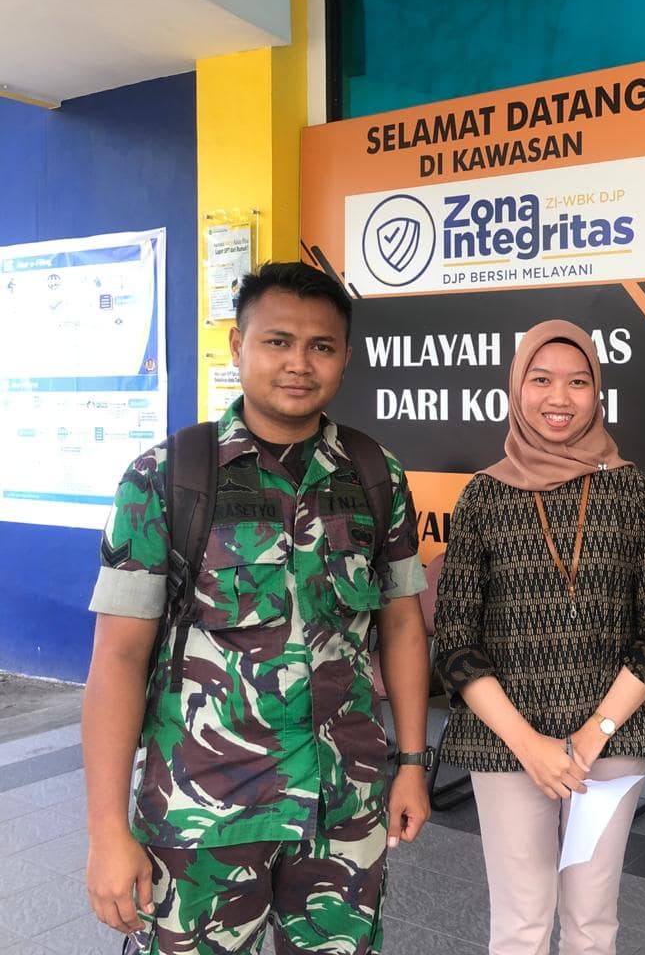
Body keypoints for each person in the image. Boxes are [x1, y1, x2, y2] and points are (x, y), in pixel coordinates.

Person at [82, 262, 431, 955]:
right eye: (277, 342)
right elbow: (117, 659)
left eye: (320, 346)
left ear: (345, 357)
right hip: (202, 818)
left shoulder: (376, 475)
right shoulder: (167, 477)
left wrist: (414, 764)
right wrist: (106, 832)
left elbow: (401, 626)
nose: (299, 363)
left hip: (344, 808)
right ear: (238, 345)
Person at [434, 319, 645, 955]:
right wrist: (531, 746)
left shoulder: (633, 491)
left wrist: (590, 736)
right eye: (541, 380)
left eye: (577, 382)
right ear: (517, 388)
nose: (559, 398)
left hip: (610, 743)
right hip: (507, 744)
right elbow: (456, 643)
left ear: (597, 392)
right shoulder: (483, 497)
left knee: (591, 924)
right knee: (519, 925)